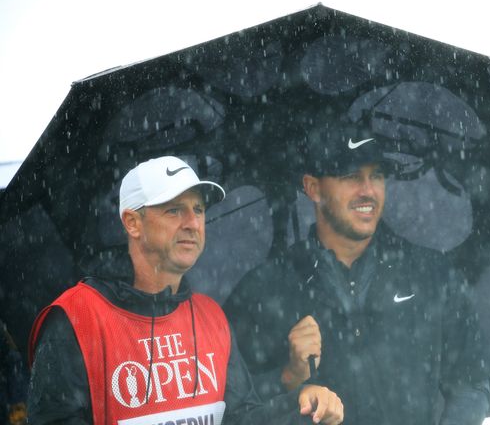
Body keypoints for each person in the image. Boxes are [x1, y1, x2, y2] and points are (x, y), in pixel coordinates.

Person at [27, 156, 343, 425]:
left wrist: (299, 402)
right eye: (174, 210)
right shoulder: (77, 318)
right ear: (133, 223)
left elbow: (238, 417)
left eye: (199, 209)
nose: (193, 222)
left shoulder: (210, 316)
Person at [224, 119, 490, 425]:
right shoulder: (264, 288)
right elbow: (234, 410)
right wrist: (287, 376)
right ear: (313, 188)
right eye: (351, 176)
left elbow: (471, 382)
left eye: (376, 175)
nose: (368, 191)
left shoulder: (431, 273)